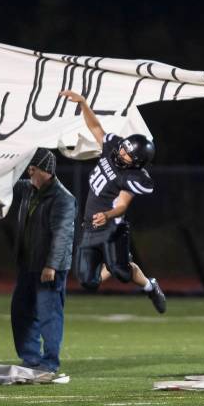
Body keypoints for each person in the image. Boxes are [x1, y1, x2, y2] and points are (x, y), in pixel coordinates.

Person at [61, 90, 167, 312]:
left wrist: (107, 215)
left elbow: (121, 206)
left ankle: (150, 286)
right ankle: (114, 259)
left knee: (121, 271)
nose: (122, 152)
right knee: (88, 281)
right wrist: (83, 103)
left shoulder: (131, 178)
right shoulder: (111, 150)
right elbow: (96, 128)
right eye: (124, 148)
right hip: (91, 225)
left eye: (128, 153)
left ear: (136, 162)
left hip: (111, 228)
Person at [8, 149, 76, 373]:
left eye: (33, 169)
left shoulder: (63, 198)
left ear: (45, 171)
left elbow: (62, 235)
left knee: (49, 315)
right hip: (28, 263)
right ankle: (30, 358)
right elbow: (1, 185)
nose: (29, 172)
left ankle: (49, 363)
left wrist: (52, 265)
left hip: (48, 267)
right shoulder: (29, 189)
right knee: (20, 311)